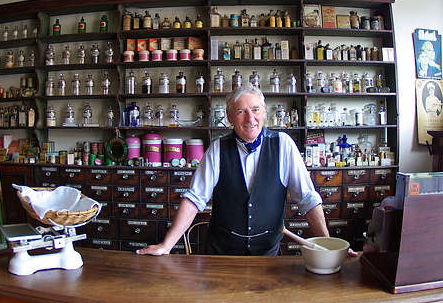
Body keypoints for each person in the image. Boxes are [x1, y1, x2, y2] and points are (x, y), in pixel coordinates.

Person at [137, 84, 350, 256]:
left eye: (256, 109)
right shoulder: (218, 149)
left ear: (264, 112)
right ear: (230, 118)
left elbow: (308, 198)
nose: (250, 118)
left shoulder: (283, 145)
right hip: (221, 255)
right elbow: (194, 199)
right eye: (241, 111)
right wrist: (167, 245)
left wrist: (328, 246)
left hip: (266, 257)